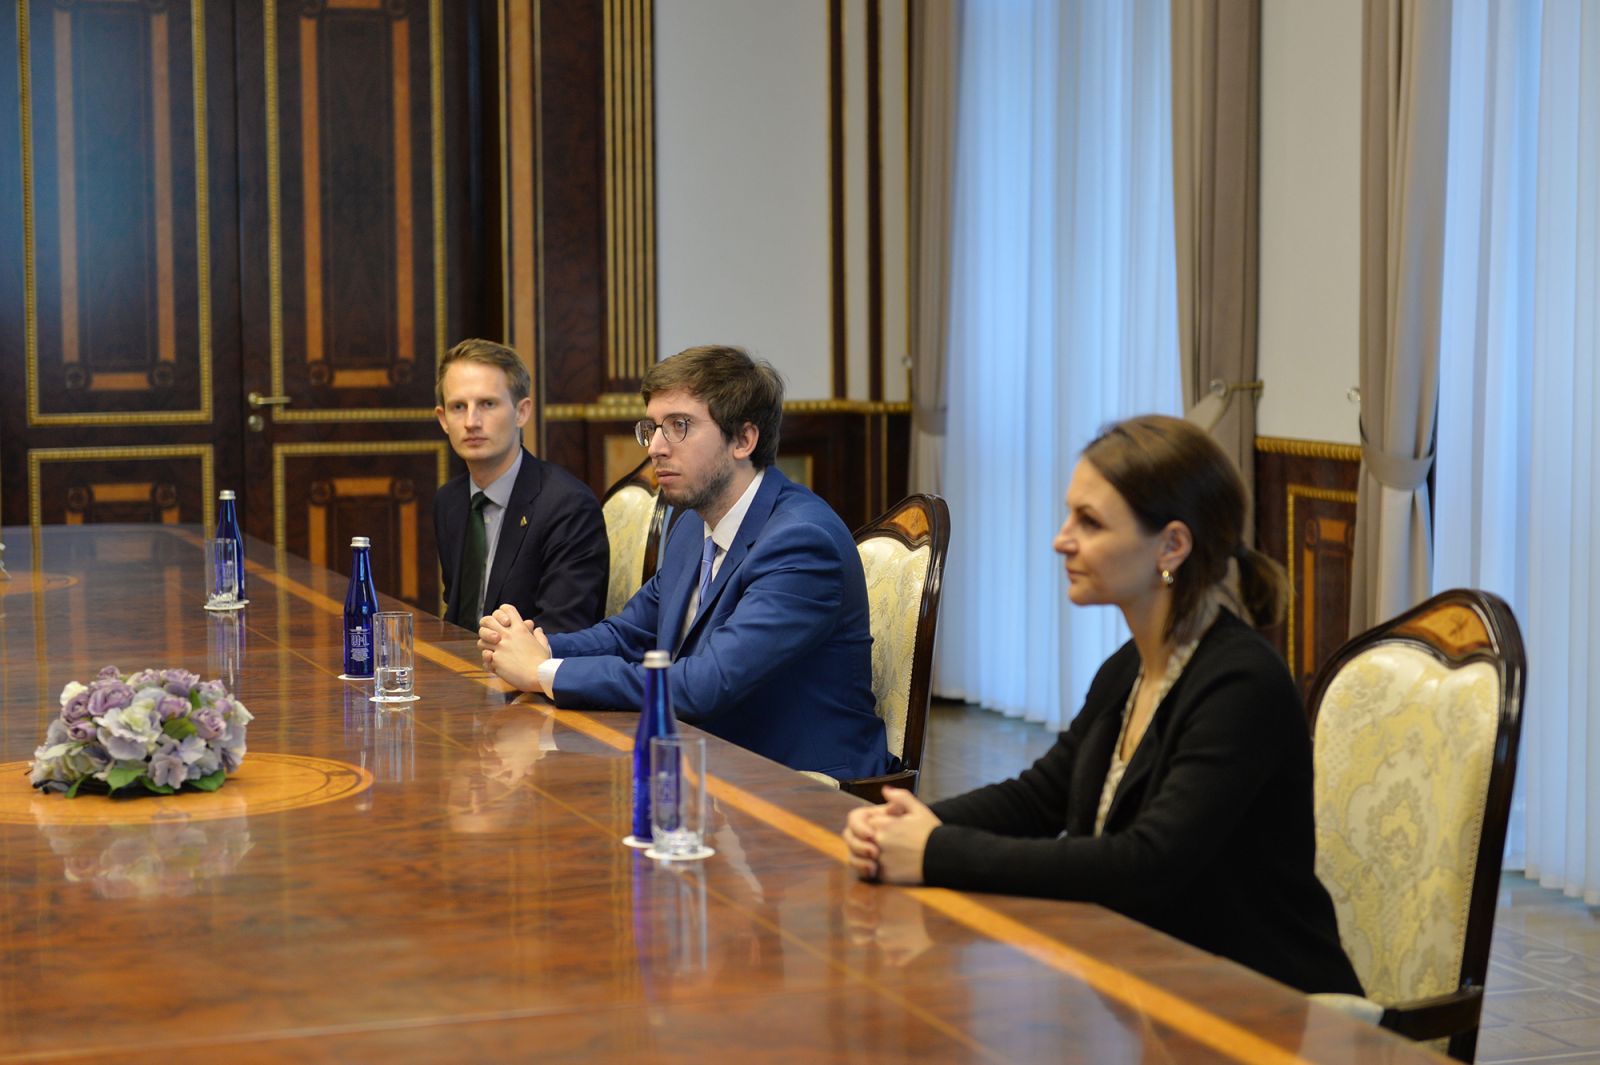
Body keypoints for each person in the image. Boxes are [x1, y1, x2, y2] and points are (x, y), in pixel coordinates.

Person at [842, 414, 1362, 995]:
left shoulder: (1242, 685)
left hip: (1267, 1001)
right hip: (1157, 981)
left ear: (1172, 545)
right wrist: (905, 821)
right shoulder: (1131, 666)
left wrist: (935, 851)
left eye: (1089, 522)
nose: (1061, 539)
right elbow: (1043, 796)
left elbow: (1145, 864)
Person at [477, 344, 888, 780]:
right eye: (652, 428)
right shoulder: (693, 524)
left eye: (679, 426)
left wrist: (544, 671)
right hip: (710, 761)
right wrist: (537, 646)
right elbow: (630, 634)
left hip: (799, 784)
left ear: (744, 440)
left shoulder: (801, 542)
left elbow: (705, 684)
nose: (655, 447)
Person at [434, 339, 608, 634]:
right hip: (460, 659)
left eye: (488, 404)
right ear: (443, 419)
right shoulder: (449, 501)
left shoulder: (567, 506)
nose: (471, 422)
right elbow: (457, 616)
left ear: (522, 412)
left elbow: (564, 628)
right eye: (458, 407)